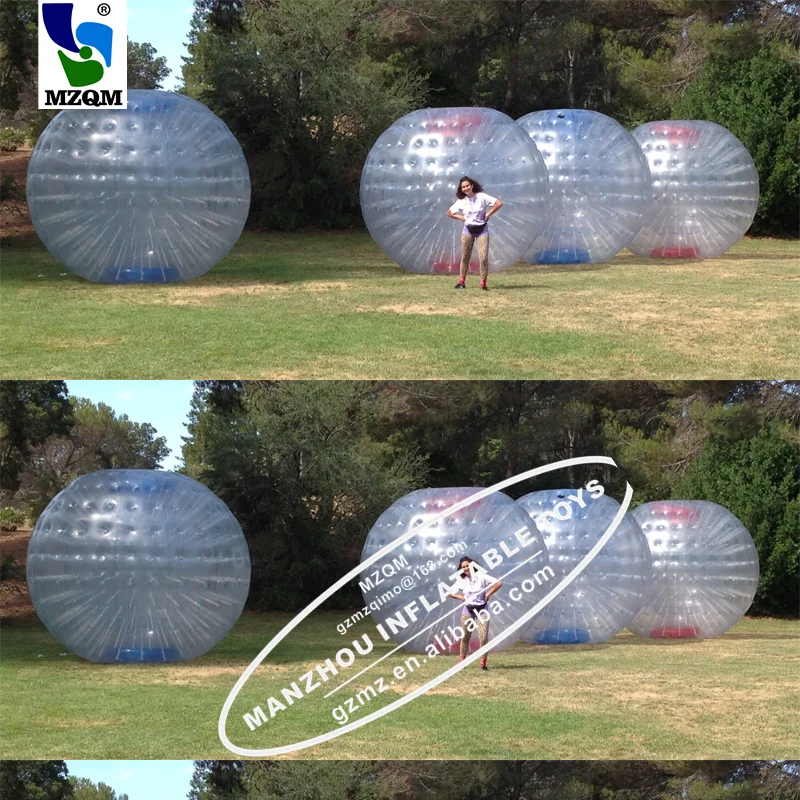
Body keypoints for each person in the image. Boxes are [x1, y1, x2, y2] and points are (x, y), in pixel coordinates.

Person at [446, 176, 503, 291]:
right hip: (468, 230)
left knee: (483, 257)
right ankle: (461, 282)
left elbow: (498, 203)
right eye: (463, 187)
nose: (466, 188)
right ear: (461, 189)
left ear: (472, 186)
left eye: (467, 186)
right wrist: (461, 217)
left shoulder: (481, 197)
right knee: (465, 256)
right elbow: (449, 212)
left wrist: (488, 214)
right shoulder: (462, 201)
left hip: (482, 230)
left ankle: (483, 284)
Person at [447, 555, 503, 670]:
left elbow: (498, 583)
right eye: (463, 567)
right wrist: (460, 597)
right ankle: (462, 661)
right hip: (468, 610)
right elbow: (448, 592)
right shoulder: (461, 581)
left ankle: (483, 663)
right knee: (466, 636)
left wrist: (488, 594)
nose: (466, 568)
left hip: (482, 609)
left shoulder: (481, 576)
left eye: (468, 566)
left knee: (483, 637)